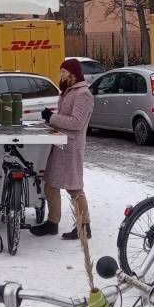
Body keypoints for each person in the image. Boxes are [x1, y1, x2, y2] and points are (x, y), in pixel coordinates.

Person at [30, 58, 95, 240]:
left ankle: (84, 227)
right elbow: (65, 117)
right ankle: (52, 223)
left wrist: (52, 118)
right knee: (50, 184)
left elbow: (77, 122)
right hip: (60, 143)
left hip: (71, 146)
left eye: (64, 72)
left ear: (73, 73)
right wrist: (50, 120)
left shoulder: (83, 94)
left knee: (74, 187)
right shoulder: (68, 90)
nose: (61, 75)